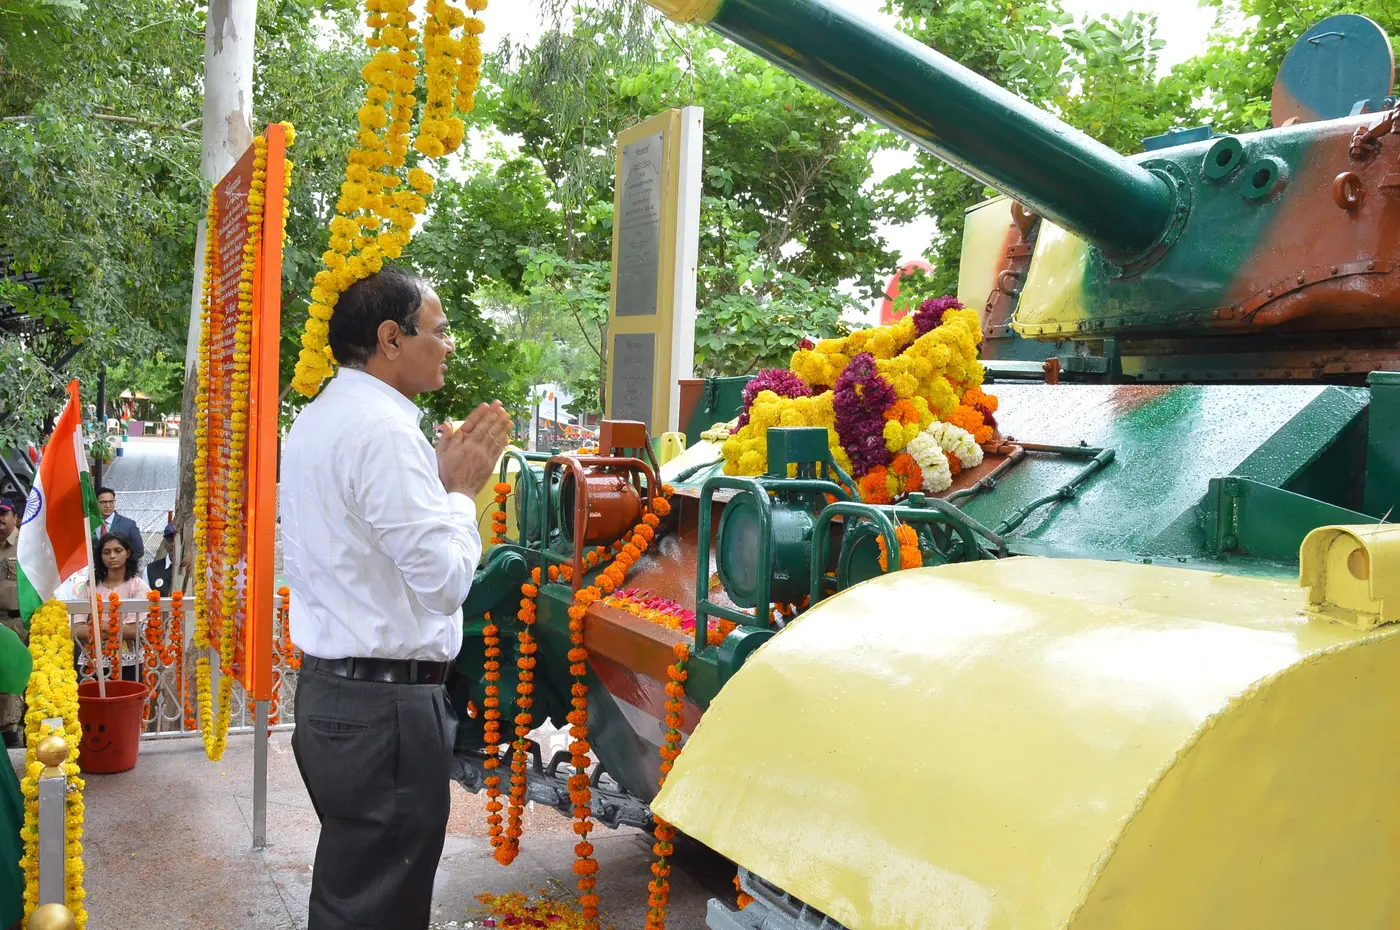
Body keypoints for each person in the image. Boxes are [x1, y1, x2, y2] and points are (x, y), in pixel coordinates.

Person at [282, 268, 512, 930]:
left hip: (338, 697)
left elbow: (374, 545)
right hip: (383, 714)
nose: (447, 346)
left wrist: (437, 487)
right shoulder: (382, 431)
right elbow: (442, 584)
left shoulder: (323, 417)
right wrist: (461, 491)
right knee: (377, 907)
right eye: (439, 332)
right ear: (390, 338)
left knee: (358, 889)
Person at [71, 532, 149, 683]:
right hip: (92, 662)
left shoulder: (138, 585)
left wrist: (101, 628)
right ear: (100, 556)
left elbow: (135, 630)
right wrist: (114, 630)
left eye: (118, 551)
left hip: (129, 663)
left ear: (128, 553)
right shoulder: (90, 587)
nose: (112, 556)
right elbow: (76, 629)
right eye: (106, 552)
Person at [0, 501, 24, 748]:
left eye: (3, 513)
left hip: (20, 622)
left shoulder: (26, 544)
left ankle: (20, 730)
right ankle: (7, 732)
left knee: (18, 676)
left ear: (14, 517)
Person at [93, 487, 144, 566]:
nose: (108, 505)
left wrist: (120, 565)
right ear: (96, 503)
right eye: (103, 502)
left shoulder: (128, 525)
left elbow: (139, 551)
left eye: (111, 502)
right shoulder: (89, 525)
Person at [146, 523, 176, 595]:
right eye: (170, 540)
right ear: (164, 543)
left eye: (178, 539)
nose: (174, 544)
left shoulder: (195, 568)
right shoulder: (151, 570)